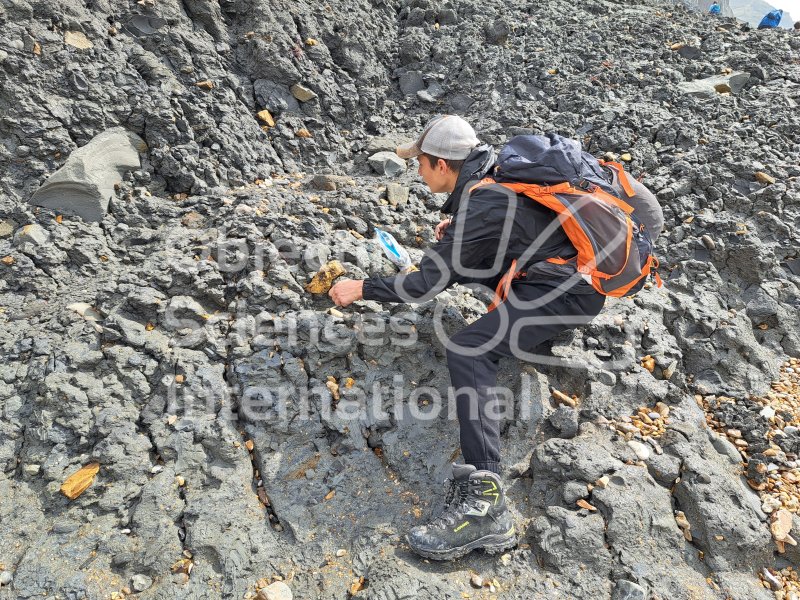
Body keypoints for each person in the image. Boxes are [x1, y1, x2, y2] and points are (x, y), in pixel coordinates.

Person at [329, 115, 643, 560]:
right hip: (569, 282)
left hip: (565, 294)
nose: (417, 173)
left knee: (469, 349)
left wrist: (362, 288)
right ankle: (532, 336)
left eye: (420, 163)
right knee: (485, 305)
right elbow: (515, 234)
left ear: (441, 164)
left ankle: (485, 507)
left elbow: (423, 287)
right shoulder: (498, 177)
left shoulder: (483, 204)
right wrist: (460, 237)